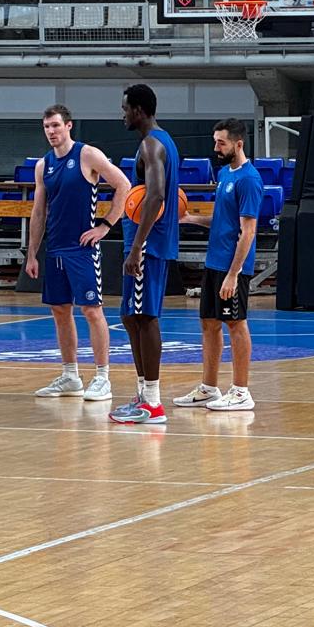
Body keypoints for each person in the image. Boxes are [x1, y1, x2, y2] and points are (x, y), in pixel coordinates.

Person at [24, 104, 131, 403]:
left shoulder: (87, 155)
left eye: (56, 126)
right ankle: (71, 376)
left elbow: (124, 184)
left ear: (69, 126)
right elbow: (38, 210)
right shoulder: (43, 165)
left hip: (82, 248)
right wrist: (32, 253)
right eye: (47, 127)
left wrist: (106, 225)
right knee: (60, 311)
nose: (51, 132)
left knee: (92, 310)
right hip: (55, 248)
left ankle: (102, 377)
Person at [176, 118, 263, 412]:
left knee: (236, 324)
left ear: (238, 143)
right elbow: (222, 221)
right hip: (214, 262)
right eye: (215, 141)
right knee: (208, 324)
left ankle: (241, 392)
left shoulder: (249, 179)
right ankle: (209, 388)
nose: (216, 147)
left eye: (221, 142)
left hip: (232, 268)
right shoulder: (225, 173)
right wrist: (190, 220)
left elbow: (248, 230)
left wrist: (234, 274)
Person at [107, 83, 181, 426]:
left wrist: (137, 246)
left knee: (145, 316)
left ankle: (152, 402)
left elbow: (155, 196)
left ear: (138, 110)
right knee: (131, 316)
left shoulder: (152, 144)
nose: (122, 114)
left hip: (147, 242)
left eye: (124, 108)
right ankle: (143, 394)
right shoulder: (161, 140)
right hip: (147, 240)